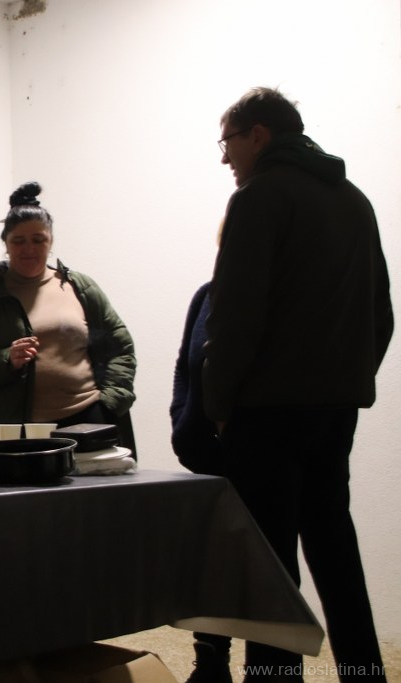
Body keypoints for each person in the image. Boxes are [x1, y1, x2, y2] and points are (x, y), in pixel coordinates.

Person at [204, 87, 393, 682]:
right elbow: (381, 314)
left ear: (258, 135)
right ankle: (365, 673)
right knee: (335, 547)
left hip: (267, 413)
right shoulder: (354, 201)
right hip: (334, 410)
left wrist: (219, 404)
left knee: (271, 564)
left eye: (228, 142)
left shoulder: (259, 197)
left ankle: (274, 679)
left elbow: (236, 315)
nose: (225, 157)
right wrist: (346, 380)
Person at [0, 181, 136, 444]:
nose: (29, 249)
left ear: (51, 241)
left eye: (38, 240)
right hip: (16, 433)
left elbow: (121, 348)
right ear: (5, 243)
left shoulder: (80, 287)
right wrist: (6, 360)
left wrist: (110, 403)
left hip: (89, 421)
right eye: (19, 241)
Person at [171, 279, 233, 683]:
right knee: (211, 558)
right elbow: (185, 366)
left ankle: (272, 667)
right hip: (208, 453)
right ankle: (211, 659)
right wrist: (182, 421)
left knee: (269, 564)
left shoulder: (277, 290)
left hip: (262, 452)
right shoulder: (207, 294)